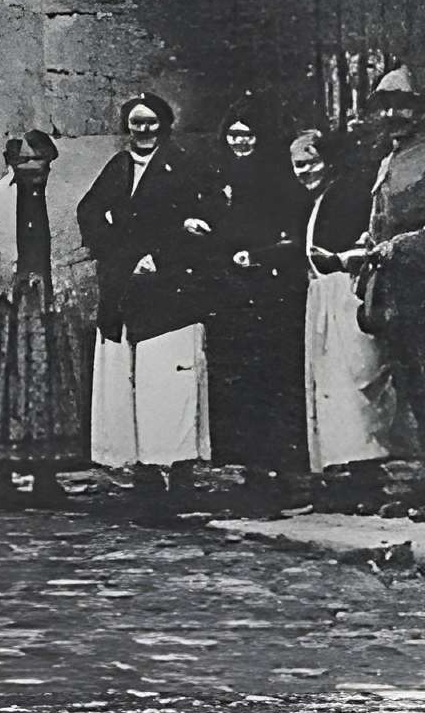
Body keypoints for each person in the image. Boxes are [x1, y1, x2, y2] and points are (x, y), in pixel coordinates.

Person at [337, 67, 425, 520]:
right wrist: (363, 248)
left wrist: (394, 248)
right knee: (412, 389)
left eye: (403, 105)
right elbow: (382, 221)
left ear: (420, 110)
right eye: (385, 107)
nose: (394, 115)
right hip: (394, 296)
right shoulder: (392, 159)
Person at [79, 90, 218, 521]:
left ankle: (179, 472)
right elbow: (89, 210)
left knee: (171, 383)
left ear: (164, 124)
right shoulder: (118, 167)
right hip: (124, 286)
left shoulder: (185, 167)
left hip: (169, 291)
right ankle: (142, 472)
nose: (143, 130)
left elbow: (200, 223)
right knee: (129, 379)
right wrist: (117, 252)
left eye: (151, 122)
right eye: (136, 123)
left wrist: (162, 255)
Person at [0, 129, 91, 505]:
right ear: (10, 163)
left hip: (51, 307)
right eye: (21, 160)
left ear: (50, 160)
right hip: (6, 307)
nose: (30, 166)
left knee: (50, 387)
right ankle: (1, 476)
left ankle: (46, 477)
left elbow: (80, 250)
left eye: (37, 159)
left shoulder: (66, 200)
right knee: (3, 387)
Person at [294, 126, 405, 508]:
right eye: (297, 166)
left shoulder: (350, 195)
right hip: (322, 294)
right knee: (330, 385)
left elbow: (368, 243)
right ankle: (341, 473)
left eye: (310, 163)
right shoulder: (317, 198)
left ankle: (367, 475)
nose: (303, 172)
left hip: (347, 290)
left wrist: (340, 259)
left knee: (357, 379)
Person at [208, 109, 310, 507]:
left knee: (275, 379)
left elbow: (293, 237)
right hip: (232, 296)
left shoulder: (278, 179)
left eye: (247, 134)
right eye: (233, 134)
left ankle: (284, 470)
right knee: (240, 382)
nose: (240, 141)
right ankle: (250, 469)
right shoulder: (218, 177)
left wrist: (258, 257)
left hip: (272, 293)